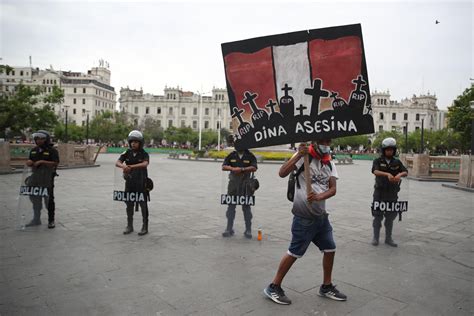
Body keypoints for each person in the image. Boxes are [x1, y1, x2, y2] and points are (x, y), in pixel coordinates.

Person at [264, 139, 347, 305]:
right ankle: (273, 286)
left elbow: (333, 189)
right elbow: (281, 172)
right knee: (294, 252)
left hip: (321, 217)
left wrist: (319, 197)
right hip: (304, 217)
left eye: (329, 141)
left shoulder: (329, 162)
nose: (327, 144)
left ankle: (326, 286)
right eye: (324, 141)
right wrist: (298, 156)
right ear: (315, 142)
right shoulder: (303, 156)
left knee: (330, 248)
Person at [371, 137, 408, 247]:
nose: (389, 151)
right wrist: (387, 174)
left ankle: (388, 238)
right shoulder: (378, 161)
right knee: (377, 216)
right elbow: (375, 171)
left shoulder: (397, 162)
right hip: (379, 193)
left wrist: (399, 175)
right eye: (387, 150)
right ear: (383, 150)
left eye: (391, 150)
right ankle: (375, 237)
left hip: (392, 193)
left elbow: (405, 171)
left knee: (390, 217)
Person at [115, 130, 150, 236]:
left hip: (141, 182)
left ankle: (145, 226)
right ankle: (129, 225)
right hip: (129, 182)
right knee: (129, 204)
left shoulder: (144, 153)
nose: (133, 143)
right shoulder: (127, 152)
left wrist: (130, 167)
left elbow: (145, 164)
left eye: (136, 142)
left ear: (140, 143)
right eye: (132, 141)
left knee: (143, 204)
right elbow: (117, 162)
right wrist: (123, 166)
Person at [25, 130, 59, 229]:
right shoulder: (34, 150)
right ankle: (36, 219)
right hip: (35, 178)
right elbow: (30, 160)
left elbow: (56, 163)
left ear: (46, 139)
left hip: (47, 179)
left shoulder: (52, 150)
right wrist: (29, 162)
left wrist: (42, 161)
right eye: (37, 138)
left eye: (41, 138)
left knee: (48, 200)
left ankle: (51, 220)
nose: (38, 140)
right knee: (35, 198)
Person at [221, 148, 258, 238]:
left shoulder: (250, 155)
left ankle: (248, 229)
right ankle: (229, 228)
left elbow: (254, 167)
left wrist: (242, 169)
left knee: (246, 208)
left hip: (246, 185)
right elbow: (224, 166)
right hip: (233, 185)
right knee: (230, 207)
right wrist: (233, 169)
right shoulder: (232, 155)